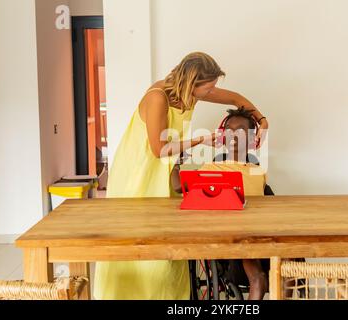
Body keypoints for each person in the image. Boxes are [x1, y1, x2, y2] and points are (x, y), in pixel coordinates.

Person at [94, 52, 269, 300]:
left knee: (166, 241)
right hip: (139, 173)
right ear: (192, 82)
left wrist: (262, 121)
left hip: (163, 170)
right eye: (208, 89)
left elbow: (236, 98)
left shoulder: (191, 94)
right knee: (140, 240)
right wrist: (202, 139)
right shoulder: (157, 98)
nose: (212, 93)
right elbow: (158, 149)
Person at [171, 107, 271, 300]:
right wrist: (176, 164)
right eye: (229, 131)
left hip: (257, 227)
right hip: (231, 230)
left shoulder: (258, 170)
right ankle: (257, 280)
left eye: (240, 131)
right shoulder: (211, 167)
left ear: (252, 139)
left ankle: (267, 282)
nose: (233, 135)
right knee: (243, 235)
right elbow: (178, 186)